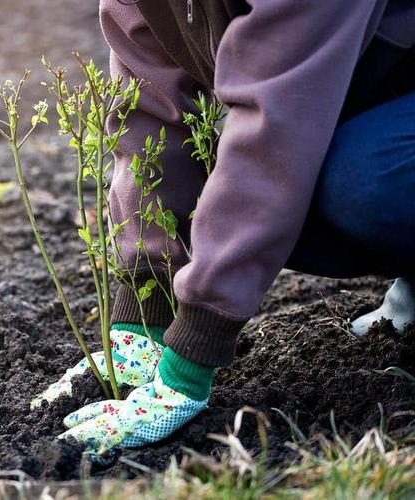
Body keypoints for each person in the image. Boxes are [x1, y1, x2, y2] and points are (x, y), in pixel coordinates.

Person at [31, 0, 415, 462]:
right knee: (227, 181)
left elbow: (276, 128)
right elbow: (150, 107)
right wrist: (144, 304)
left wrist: (193, 353)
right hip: (367, 96)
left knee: (358, 181)